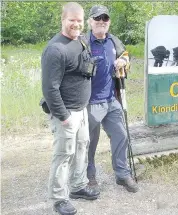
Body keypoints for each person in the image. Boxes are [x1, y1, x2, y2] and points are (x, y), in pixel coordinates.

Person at [41, 2, 100, 215]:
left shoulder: (82, 41)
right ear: (62, 20)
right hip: (65, 113)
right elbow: (49, 89)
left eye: (79, 20)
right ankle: (58, 199)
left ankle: (77, 187)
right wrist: (64, 117)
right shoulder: (55, 49)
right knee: (63, 155)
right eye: (71, 20)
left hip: (82, 109)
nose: (76, 24)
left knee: (82, 146)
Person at [86, 5, 139, 193]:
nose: (101, 22)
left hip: (111, 99)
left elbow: (126, 55)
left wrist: (124, 61)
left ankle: (122, 174)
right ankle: (89, 176)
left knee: (121, 135)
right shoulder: (83, 43)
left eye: (105, 19)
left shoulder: (113, 41)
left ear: (109, 22)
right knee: (89, 142)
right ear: (90, 21)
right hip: (90, 103)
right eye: (97, 18)